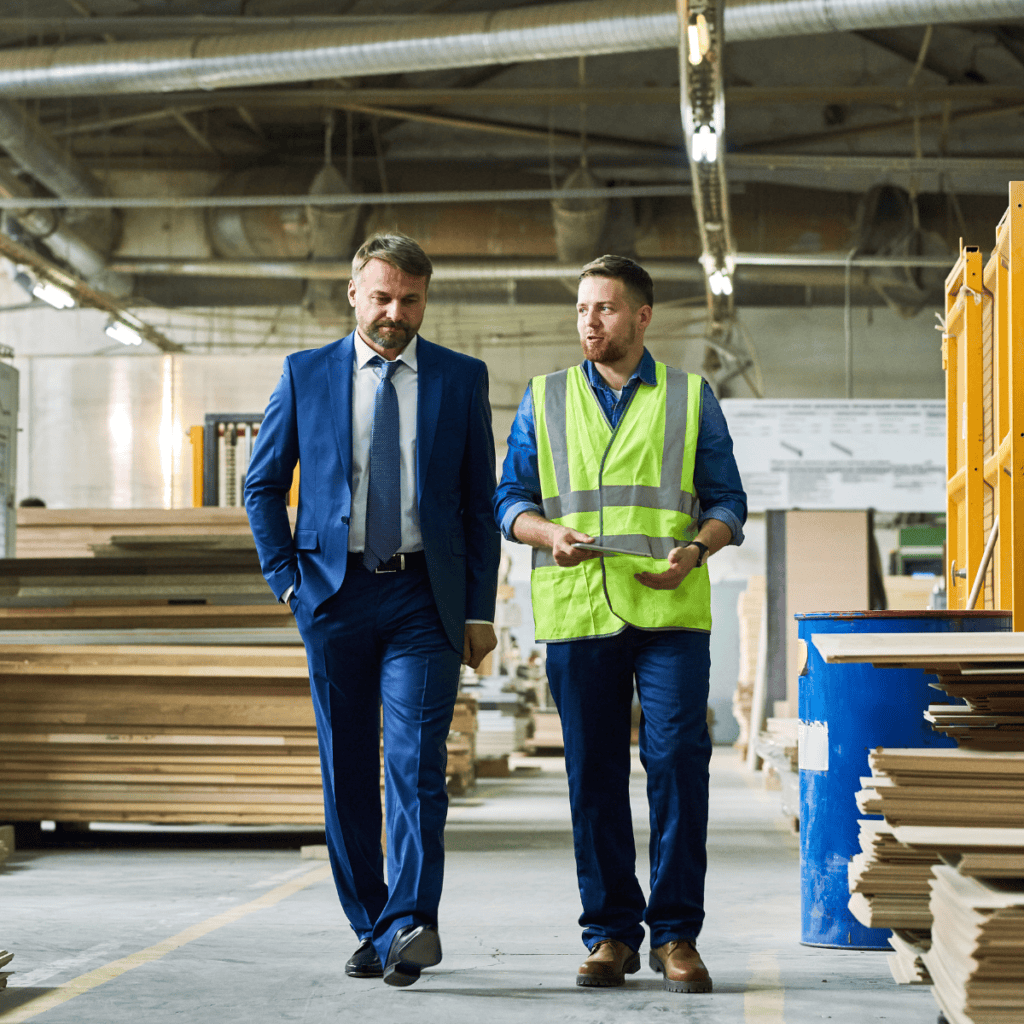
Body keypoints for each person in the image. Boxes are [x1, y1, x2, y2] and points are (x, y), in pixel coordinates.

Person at [244, 232, 500, 988]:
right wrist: (288, 582)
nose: (395, 313)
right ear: (353, 292)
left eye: (410, 300)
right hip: (335, 594)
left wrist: (478, 610)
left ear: (426, 299)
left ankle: (412, 922)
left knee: (417, 763)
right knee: (345, 765)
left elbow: (479, 507)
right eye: (382, 297)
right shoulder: (304, 375)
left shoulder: (459, 379)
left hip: (425, 598)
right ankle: (371, 922)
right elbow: (262, 487)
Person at [494, 254, 746, 994]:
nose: (589, 322)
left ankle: (675, 936)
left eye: (604, 309)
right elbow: (510, 499)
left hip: (669, 607)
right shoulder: (542, 399)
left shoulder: (691, 397)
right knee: (593, 776)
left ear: (641, 317)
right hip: (578, 610)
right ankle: (609, 934)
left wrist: (698, 549)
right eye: (581, 310)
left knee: (675, 763)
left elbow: (729, 502)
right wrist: (549, 537)